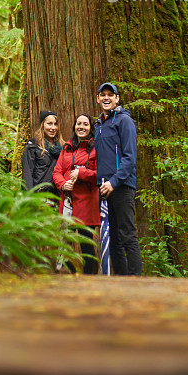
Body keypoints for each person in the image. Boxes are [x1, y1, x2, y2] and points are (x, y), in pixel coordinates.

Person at [95, 82, 142, 276]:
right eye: (102, 95)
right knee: (112, 237)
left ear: (117, 99)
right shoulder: (99, 125)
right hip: (104, 188)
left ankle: (135, 280)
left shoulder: (124, 122)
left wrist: (114, 182)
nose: (106, 98)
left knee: (127, 235)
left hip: (121, 187)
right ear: (98, 99)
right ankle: (122, 280)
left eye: (110, 95)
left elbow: (130, 157)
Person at [53, 114, 100, 274]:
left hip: (87, 202)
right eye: (79, 124)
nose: (81, 127)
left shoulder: (95, 147)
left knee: (86, 244)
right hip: (68, 201)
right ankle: (70, 278)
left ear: (90, 128)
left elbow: (100, 173)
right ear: (74, 127)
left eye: (85, 124)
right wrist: (62, 184)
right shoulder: (67, 146)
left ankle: (89, 280)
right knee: (65, 244)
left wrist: (82, 173)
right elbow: (57, 171)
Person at [21, 110, 63, 198]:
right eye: (49, 124)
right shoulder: (33, 147)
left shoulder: (62, 147)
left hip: (57, 196)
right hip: (38, 195)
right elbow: (27, 174)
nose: (53, 127)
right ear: (42, 125)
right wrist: (29, 197)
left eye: (55, 124)